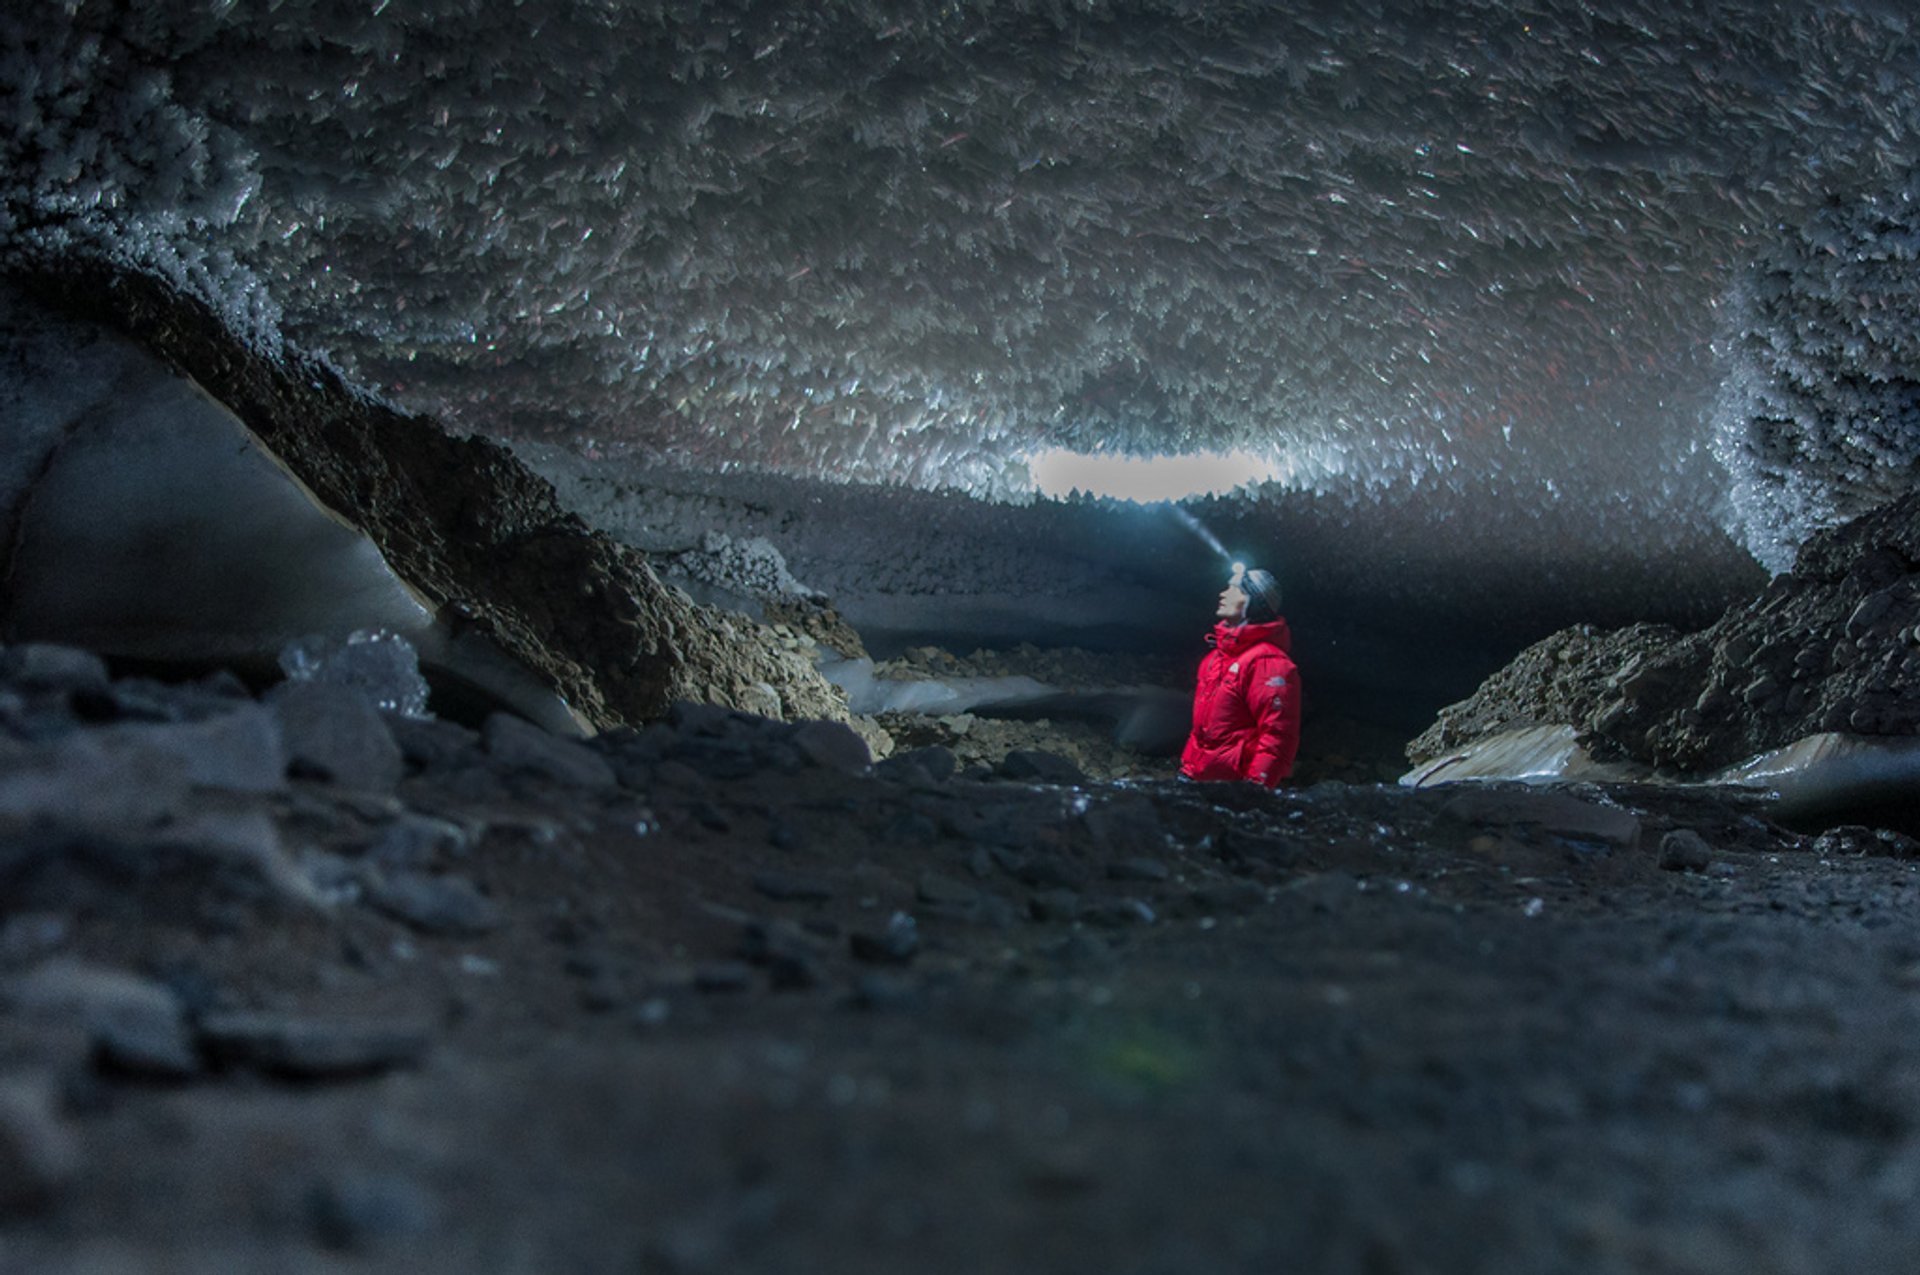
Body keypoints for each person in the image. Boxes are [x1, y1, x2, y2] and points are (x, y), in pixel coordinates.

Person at [1180, 563, 1301, 786]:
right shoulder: (1215, 659)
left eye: (1234, 589)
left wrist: (1254, 791)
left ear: (1253, 603)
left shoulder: (1268, 663)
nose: (1223, 594)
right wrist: (1188, 770)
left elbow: (1277, 737)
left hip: (1231, 789)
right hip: (1197, 777)